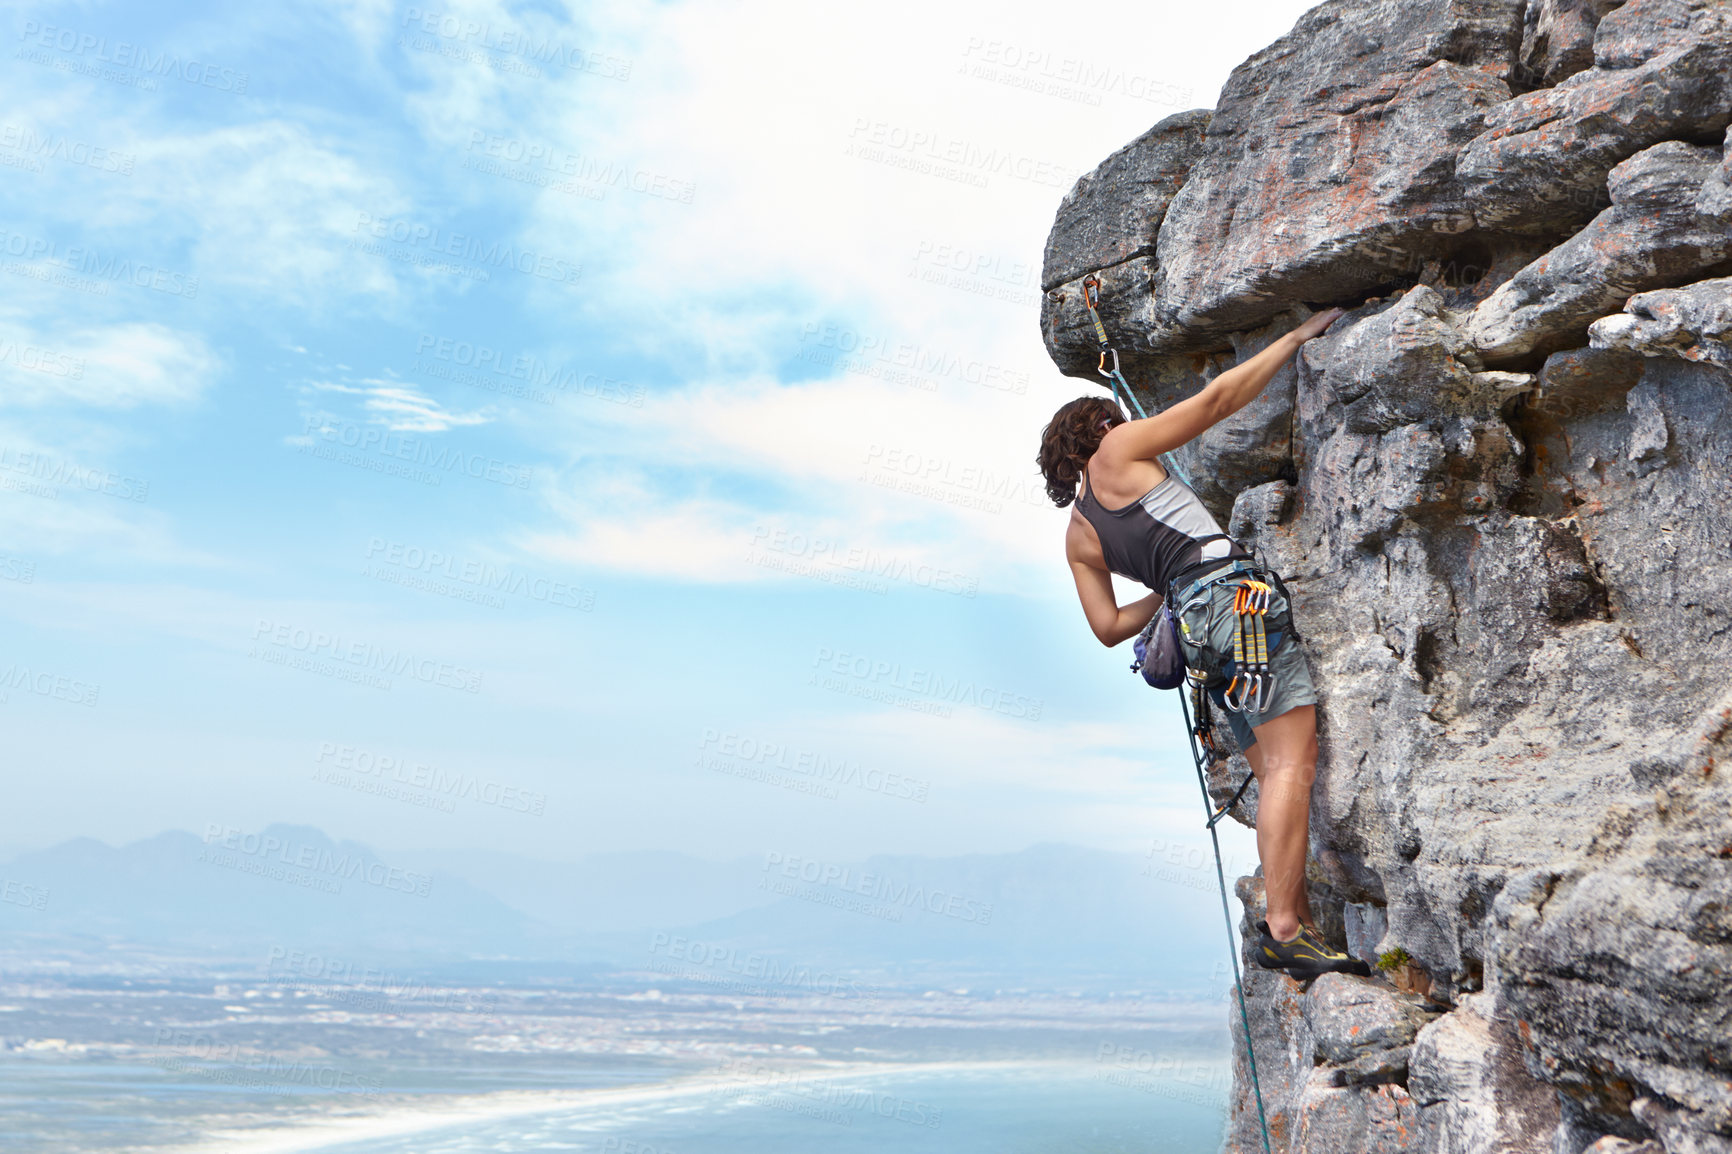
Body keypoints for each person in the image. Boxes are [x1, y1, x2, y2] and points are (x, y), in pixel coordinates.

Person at [1036, 306, 1368, 980]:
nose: (1127, 427)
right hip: (1234, 603)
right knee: (1293, 767)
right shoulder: (1119, 450)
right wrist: (1293, 336)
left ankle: (1294, 924)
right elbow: (1217, 400)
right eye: (1117, 419)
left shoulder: (1078, 534)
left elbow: (1106, 629)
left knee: (1279, 769)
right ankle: (1283, 926)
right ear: (1101, 428)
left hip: (1197, 629)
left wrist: (1168, 588)